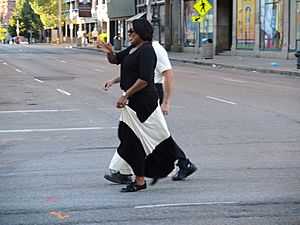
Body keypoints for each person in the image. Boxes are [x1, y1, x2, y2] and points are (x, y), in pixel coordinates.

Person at [96, 18, 196, 192]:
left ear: (142, 32)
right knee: (130, 138)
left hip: (143, 101)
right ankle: (144, 175)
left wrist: (126, 95)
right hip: (133, 100)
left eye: (132, 31)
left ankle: (146, 176)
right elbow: (116, 60)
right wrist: (109, 52)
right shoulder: (134, 49)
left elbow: (145, 79)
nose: (129, 34)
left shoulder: (149, 51)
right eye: (128, 32)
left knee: (147, 138)